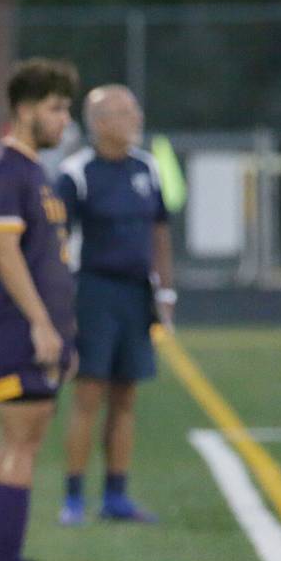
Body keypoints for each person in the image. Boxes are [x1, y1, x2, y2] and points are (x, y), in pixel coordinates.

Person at [0, 57, 78, 561]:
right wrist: (40, 323)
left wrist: (63, 328)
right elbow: (5, 252)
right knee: (17, 442)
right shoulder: (6, 173)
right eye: (56, 108)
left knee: (27, 442)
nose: (64, 119)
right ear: (25, 110)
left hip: (38, 332)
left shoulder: (35, 172)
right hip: (15, 333)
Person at [56, 85, 175, 525]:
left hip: (135, 292)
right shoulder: (76, 174)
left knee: (126, 394)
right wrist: (62, 306)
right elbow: (57, 242)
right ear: (101, 122)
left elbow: (160, 230)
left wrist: (165, 291)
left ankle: (116, 495)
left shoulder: (147, 167)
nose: (137, 119)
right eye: (126, 113)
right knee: (88, 393)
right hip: (93, 291)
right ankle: (73, 497)